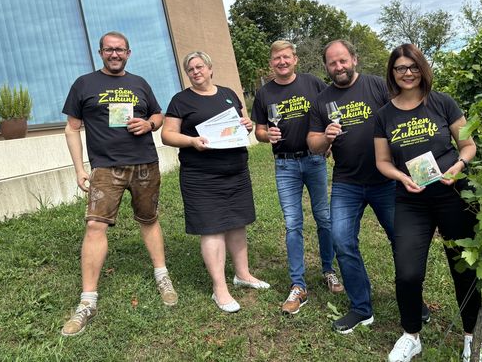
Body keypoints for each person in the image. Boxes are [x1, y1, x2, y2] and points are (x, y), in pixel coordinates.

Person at [61, 31, 177, 337]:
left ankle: (162, 276)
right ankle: (88, 301)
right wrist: (78, 168)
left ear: (129, 52)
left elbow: (158, 113)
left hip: (144, 165)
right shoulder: (84, 84)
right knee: (94, 226)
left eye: (120, 50)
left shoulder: (139, 83)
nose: (115, 54)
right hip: (105, 168)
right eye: (109, 50)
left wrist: (149, 123)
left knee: (149, 220)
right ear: (100, 52)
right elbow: (72, 128)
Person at [373, 43, 482, 362]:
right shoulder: (384, 115)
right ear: (392, 73)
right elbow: (382, 161)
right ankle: (411, 335)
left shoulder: (442, 102)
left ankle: (472, 339)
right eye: (400, 68)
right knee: (407, 272)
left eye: (413, 66)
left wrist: (458, 166)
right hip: (411, 199)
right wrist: (402, 177)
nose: (407, 73)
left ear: (422, 68)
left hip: (452, 193)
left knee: (464, 267)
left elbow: (468, 145)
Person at [161, 51, 269, 313]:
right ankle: (219, 288)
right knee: (212, 228)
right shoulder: (181, 100)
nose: (195, 72)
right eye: (190, 69)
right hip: (201, 175)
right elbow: (167, 135)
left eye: (199, 67)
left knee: (237, 222)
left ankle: (242, 274)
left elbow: (243, 125)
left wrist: (246, 124)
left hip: (236, 171)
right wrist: (191, 141)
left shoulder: (228, 93)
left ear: (210, 69)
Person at [306, 39, 397, 334]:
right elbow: (313, 144)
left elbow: (402, 115)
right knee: (342, 241)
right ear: (326, 67)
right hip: (347, 182)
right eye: (332, 63)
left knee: (403, 240)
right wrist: (327, 137)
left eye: (343, 60)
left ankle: (411, 299)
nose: (338, 67)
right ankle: (361, 308)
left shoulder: (377, 86)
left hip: (386, 179)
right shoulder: (322, 100)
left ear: (354, 59)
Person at [251, 40, 344, 315]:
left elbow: (331, 117)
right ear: (272, 63)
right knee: (293, 224)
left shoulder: (313, 84)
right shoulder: (264, 93)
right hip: (285, 165)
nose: (282, 62)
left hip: (314, 160)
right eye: (277, 58)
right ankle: (298, 284)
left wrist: (327, 144)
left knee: (324, 217)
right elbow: (258, 131)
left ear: (295, 59)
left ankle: (329, 269)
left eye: (286, 57)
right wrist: (266, 135)